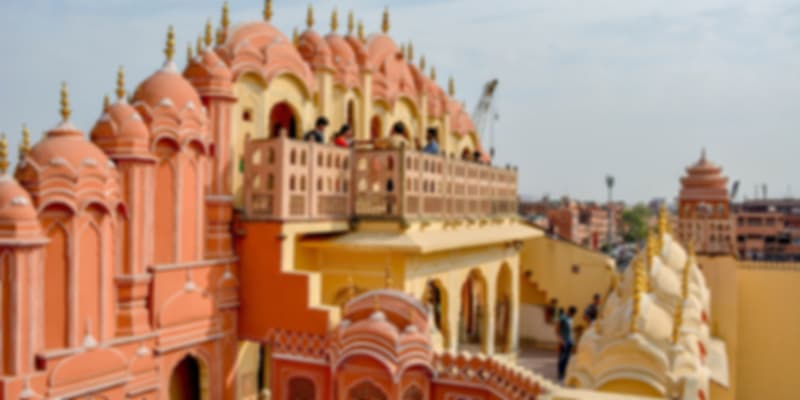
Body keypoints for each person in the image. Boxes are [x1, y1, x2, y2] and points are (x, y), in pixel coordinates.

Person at [557, 306, 577, 382]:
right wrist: (560, 340)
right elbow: (557, 330)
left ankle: (564, 373)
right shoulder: (563, 318)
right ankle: (560, 374)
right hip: (563, 341)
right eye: (572, 313)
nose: (572, 315)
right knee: (561, 358)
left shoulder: (571, 319)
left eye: (573, 314)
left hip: (569, 341)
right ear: (569, 311)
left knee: (567, 359)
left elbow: (570, 331)